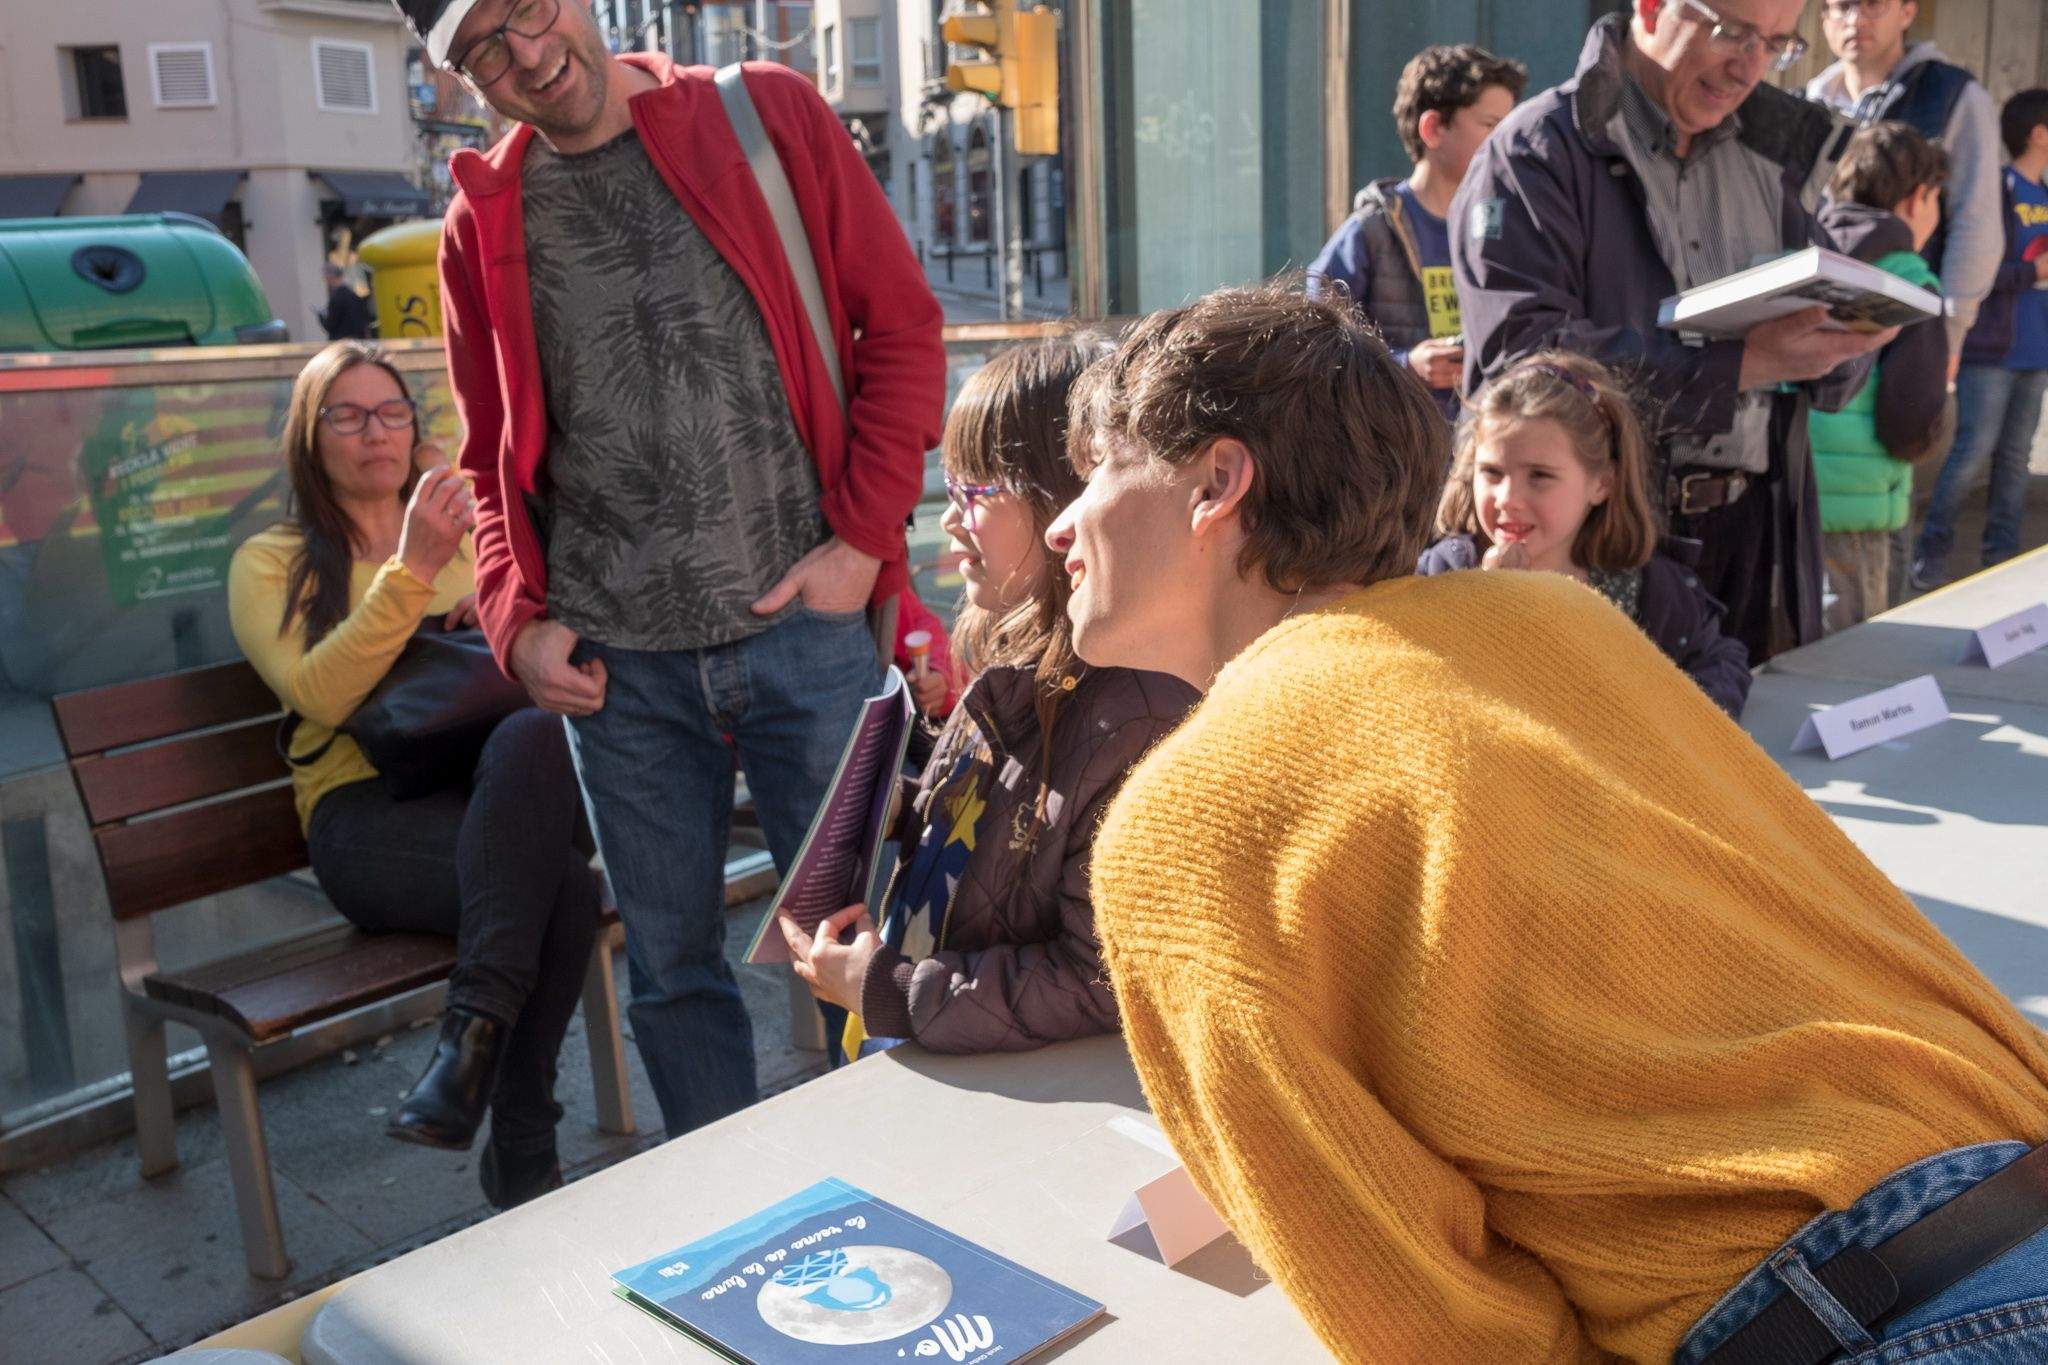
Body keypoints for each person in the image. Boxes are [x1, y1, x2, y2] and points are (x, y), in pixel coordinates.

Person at [1050, 281, 2048, 1363]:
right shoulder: (1557, 619)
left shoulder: (1181, 828)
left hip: (1858, 1317)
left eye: (1096, 470)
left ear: (1216, 483)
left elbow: (1414, 1301)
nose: (1063, 523)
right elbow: (1848, 914)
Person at [394, 0, 945, 1137]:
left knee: (870, 941)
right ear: (453, 74)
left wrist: (862, 543)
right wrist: (517, 624)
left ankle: (919, 1182)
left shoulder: (761, 115)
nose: (529, 57)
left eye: (528, 13)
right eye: (483, 50)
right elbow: (491, 460)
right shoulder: (479, 223)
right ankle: (735, 1224)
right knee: (672, 974)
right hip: (620, 675)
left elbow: (897, 328)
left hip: (808, 634)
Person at [228, 342, 601, 1211]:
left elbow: (546, 658)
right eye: (349, 415)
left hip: (490, 797)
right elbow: (317, 691)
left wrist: (499, 616)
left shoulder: (470, 534)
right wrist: (418, 571)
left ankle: (466, 1054)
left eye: (394, 412)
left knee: (535, 737)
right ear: (308, 436)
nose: (376, 433)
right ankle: (522, 1140)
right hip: (365, 823)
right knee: (566, 891)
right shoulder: (271, 561)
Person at [780, 338, 1196, 1058]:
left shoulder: (1135, 714)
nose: (948, 517)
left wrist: (892, 988)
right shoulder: (1014, 659)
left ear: (1064, 503)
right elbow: (997, 836)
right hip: (945, 1048)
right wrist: (904, 808)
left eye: (975, 490)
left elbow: (1092, 978)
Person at [1453, 0, 1894, 665]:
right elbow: (1518, 362)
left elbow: (1813, 325)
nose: (1749, 65)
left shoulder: (1767, 159)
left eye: (1776, 44)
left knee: (1744, 748)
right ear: (1652, 8)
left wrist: (1845, 343)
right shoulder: (1535, 152)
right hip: (1601, 542)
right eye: (1732, 32)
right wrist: (1737, 366)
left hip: (1754, 532)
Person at [1417, 351, 1752, 717]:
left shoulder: (1647, 592)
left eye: (1540, 476)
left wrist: (1672, 728)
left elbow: (1720, 661)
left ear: (1602, 483)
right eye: (1492, 472)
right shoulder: (1438, 579)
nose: (1508, 499)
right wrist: (1485, 611)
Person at [1309, 44, 1526, 423]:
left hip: (1477, 446)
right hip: (1399, 452)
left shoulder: (1504, 229)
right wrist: (1406, 364)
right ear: (1433, 129)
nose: (1505, 142)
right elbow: (1315, 342)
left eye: (1510, 127)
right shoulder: (1372, 231)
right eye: (1491, 126)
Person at [1808, 121, 1954, 627]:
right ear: (1920, 198)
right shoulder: (1911, 283)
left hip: (1790, 497)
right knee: (1849, 660)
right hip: (1862, 511)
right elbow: (1909, 423)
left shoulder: (1806, 262)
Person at [1806, 0, 2002, 366]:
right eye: (1842, 6)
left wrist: (1951, 331)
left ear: (1907, 12)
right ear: (1824, 19)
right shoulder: (1806, 104)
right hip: (1812, 328)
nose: (1855, 19)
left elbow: (1976, 222)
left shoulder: (1950, 95)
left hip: (1910, 333)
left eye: (1873, 4)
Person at [1913, 88, 2048, 589]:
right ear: (2038, 134)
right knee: (1971, 453)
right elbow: (1976, 268)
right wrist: (2029, 271)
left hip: (2037, 351)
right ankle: (1931, 552)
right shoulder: (1999, 190)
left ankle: (2001, 562)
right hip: (1991, 351)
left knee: (2015, 459)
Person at [318, 263, 372, 341]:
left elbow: (330, 325)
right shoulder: (354, 295)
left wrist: (321, 317)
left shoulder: (336, 298)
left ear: (329, 277)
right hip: (358, 340)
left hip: (342, 343)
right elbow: (364, 319)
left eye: (325, 277)